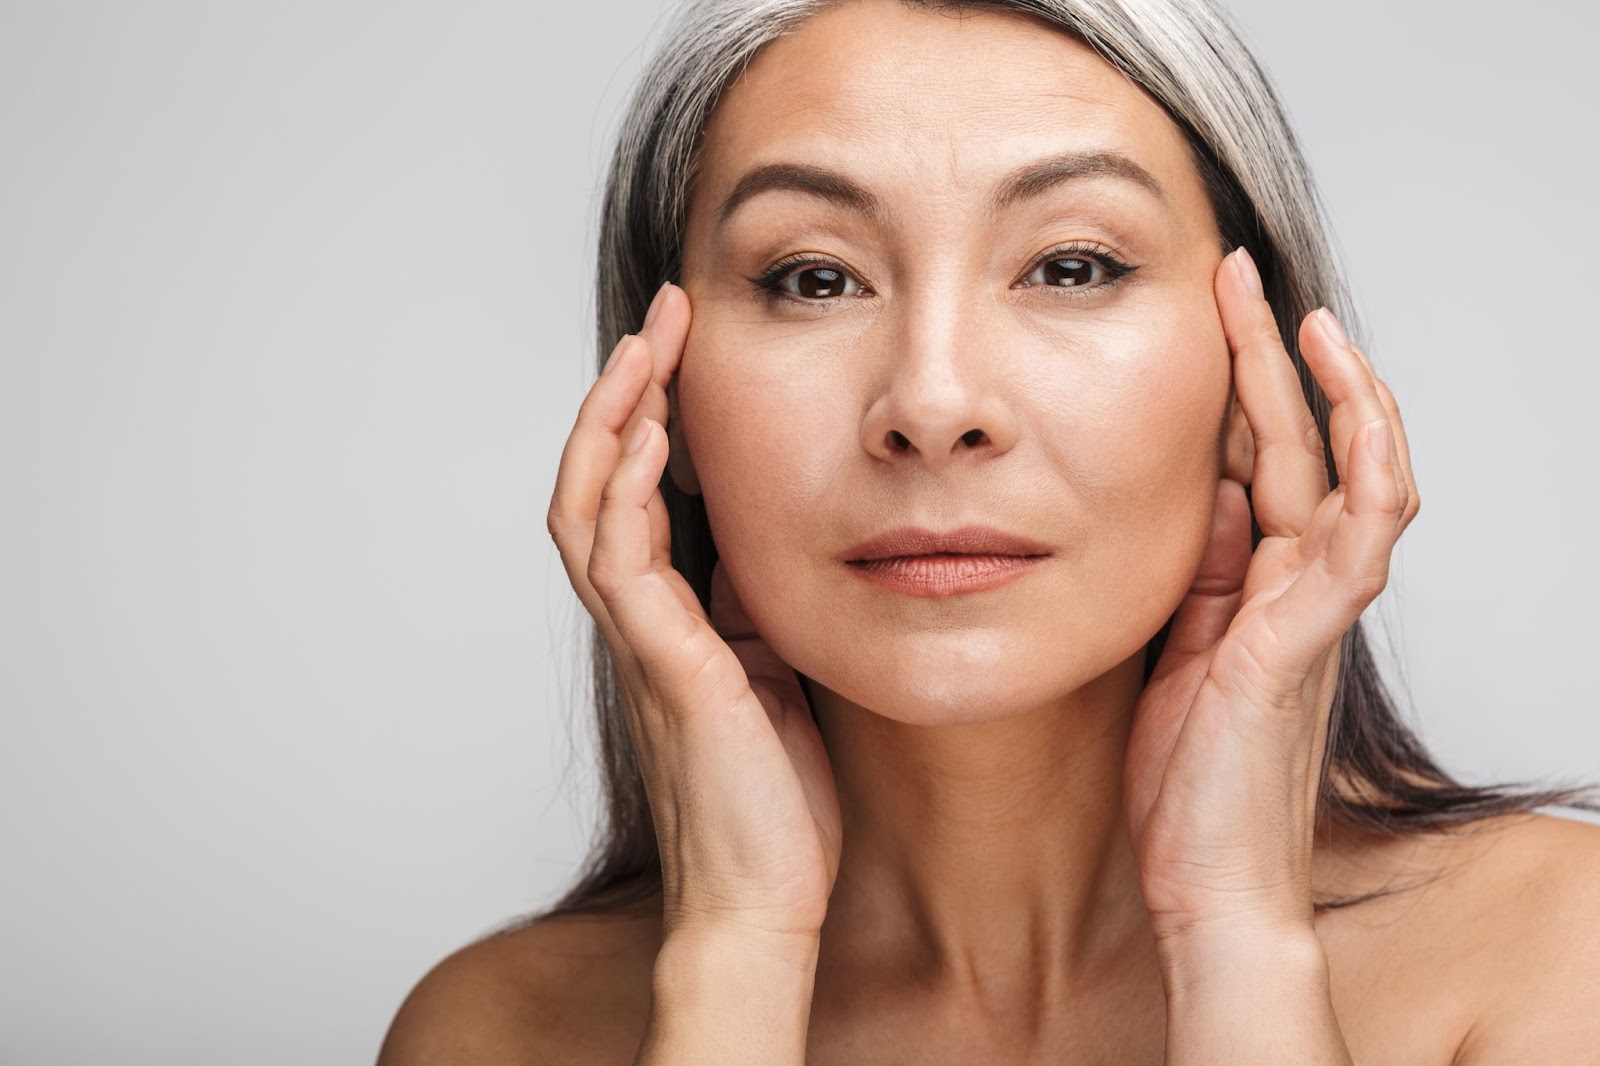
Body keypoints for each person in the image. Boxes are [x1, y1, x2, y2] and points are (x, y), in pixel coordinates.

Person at [378, 0, 1600, 1061]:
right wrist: (734, 950)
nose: (931, 401)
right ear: (667, 402)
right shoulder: (497, 1033)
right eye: (813, 277)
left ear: (1255, 380)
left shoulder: (1554, 957)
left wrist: (1235, 937)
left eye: (1070, 266)